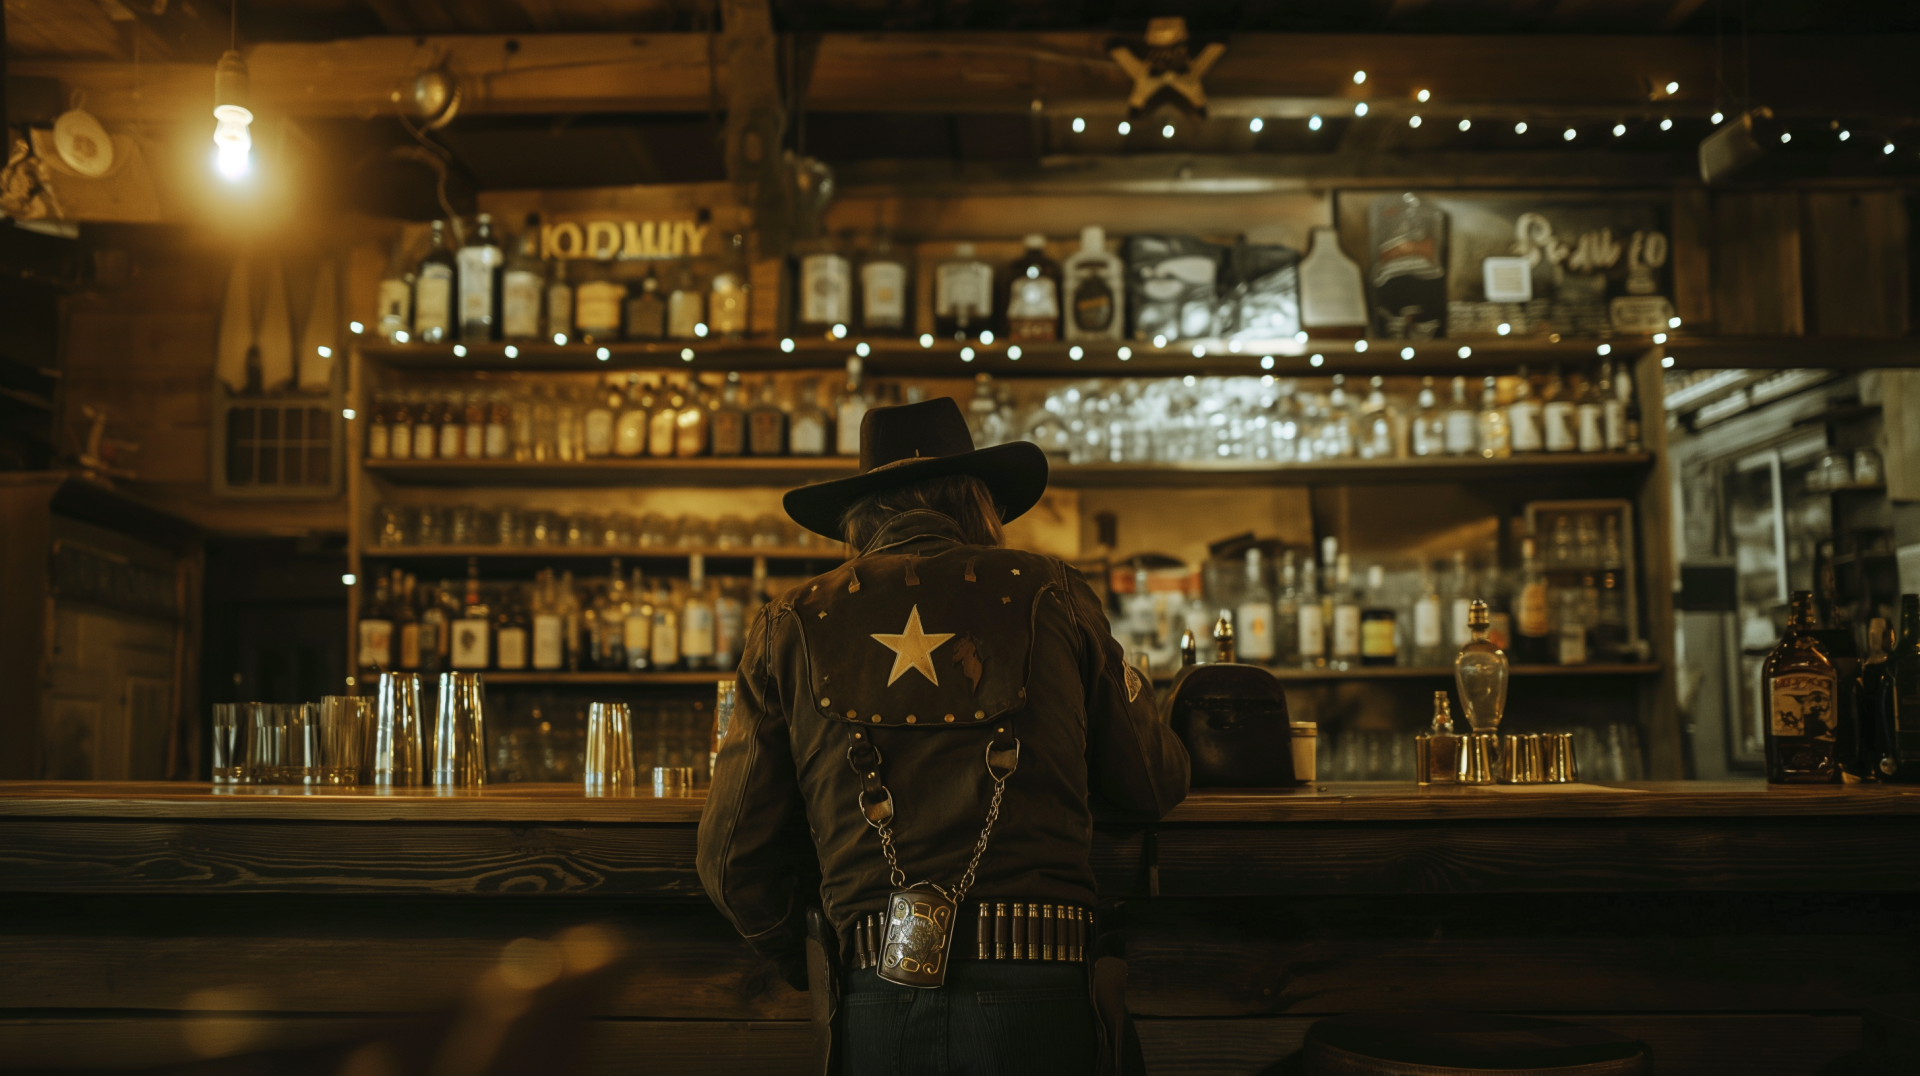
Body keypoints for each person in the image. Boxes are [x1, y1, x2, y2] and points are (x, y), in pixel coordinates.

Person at [698, 395, 1189, 1076]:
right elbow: (1150, 783)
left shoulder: (792, 620)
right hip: (1045, 979)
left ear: (858, 514)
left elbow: (729, 857)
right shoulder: (1052, 591)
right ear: (980, 501)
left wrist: (809, 953)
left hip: (874, 980)